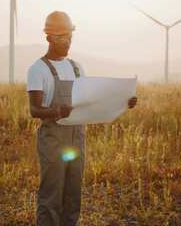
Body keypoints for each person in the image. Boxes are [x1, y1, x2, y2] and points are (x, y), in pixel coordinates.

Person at [27, 11, 138, 226]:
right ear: (48, 37)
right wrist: (58, 111)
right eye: (61, 37)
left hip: (76, 138)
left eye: (69, 36)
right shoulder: (37, 69)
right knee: (51, 194)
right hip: (53, 139)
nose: (67, 41)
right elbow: (34, 110)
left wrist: (124, 102)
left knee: (73, 193)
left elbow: (92, 101)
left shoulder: (77, 68)